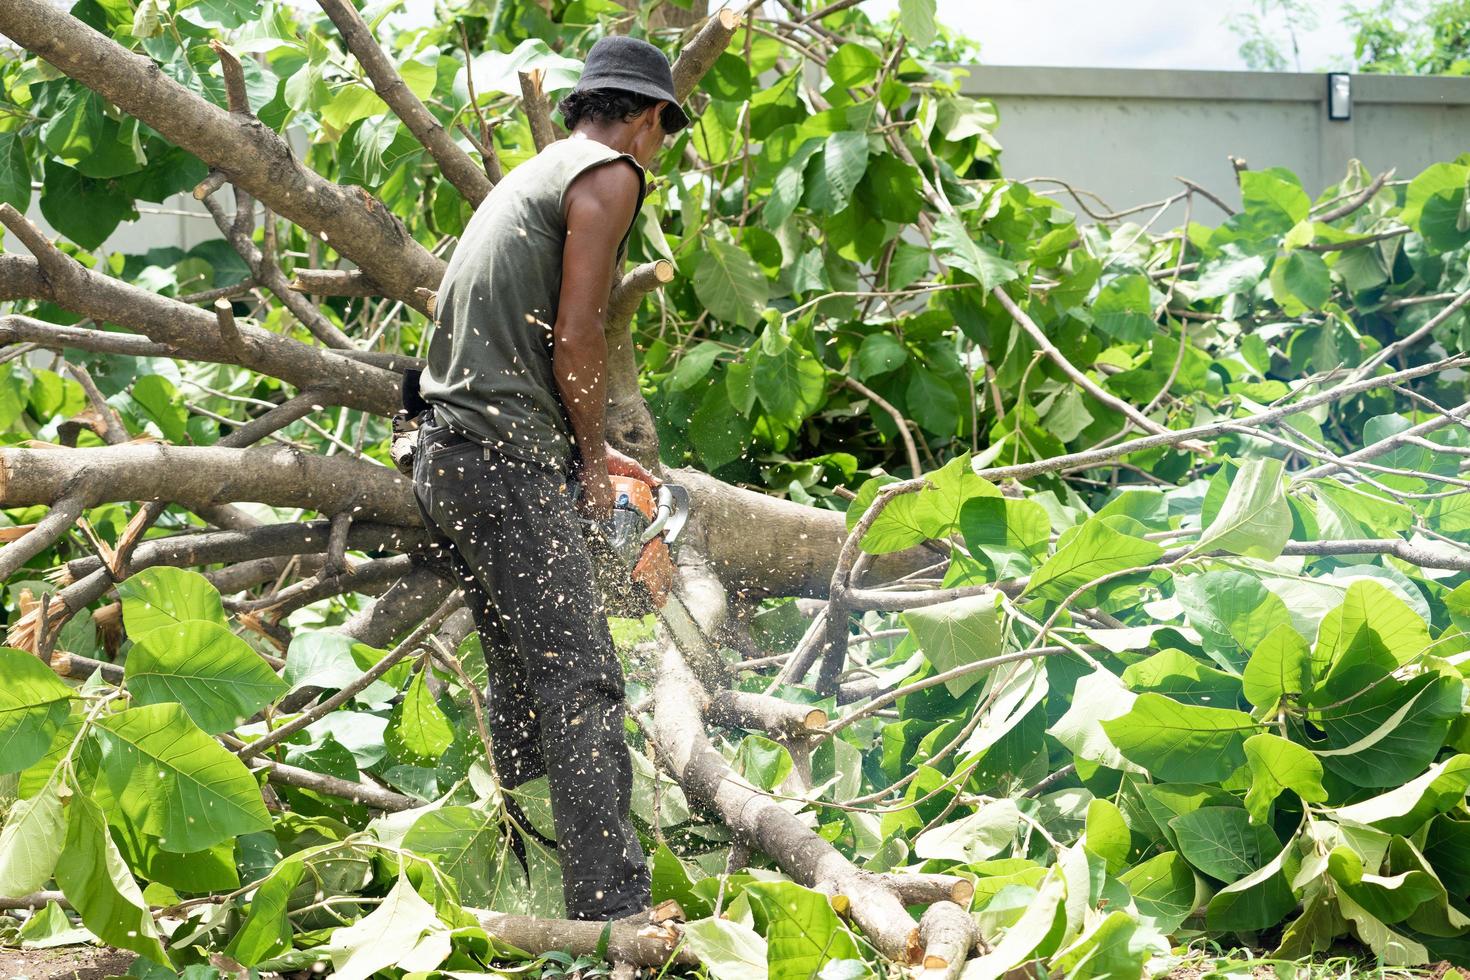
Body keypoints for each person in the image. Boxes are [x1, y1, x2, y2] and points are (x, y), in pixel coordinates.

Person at [412, 35, 690, 921]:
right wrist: (585, 466)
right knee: (583, 680)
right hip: (500, 460)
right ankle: (611, 916)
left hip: (444, 455)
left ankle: (535, 892)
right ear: (648, 119)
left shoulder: (535, 173)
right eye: (661, 132)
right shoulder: (609, 173)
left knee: (526, 682)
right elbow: (577, 336)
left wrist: (585, 451)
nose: (654, 151)